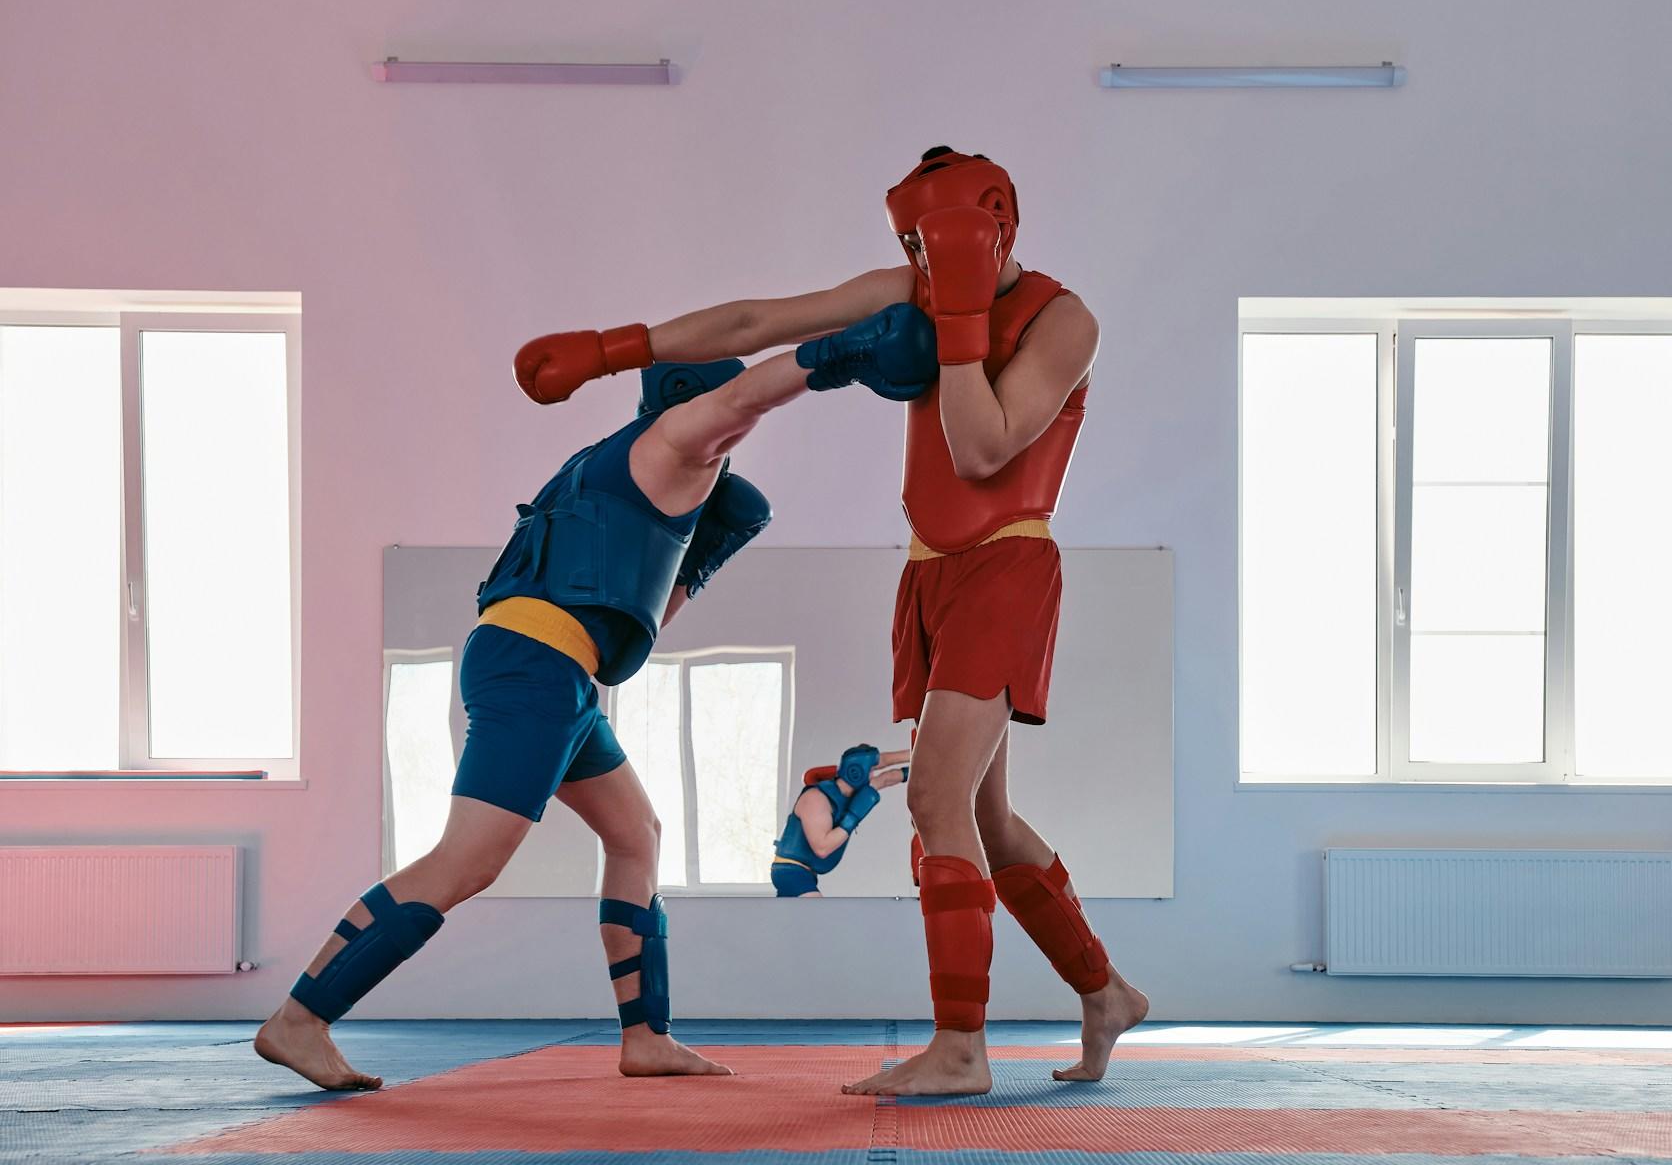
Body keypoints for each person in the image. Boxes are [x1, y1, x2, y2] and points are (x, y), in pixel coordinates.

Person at [576, 148, 1149, 1096]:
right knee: (987, 819)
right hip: (927, 574)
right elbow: (758, 322)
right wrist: (615, 348)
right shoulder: (910, 287)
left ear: (997, 222)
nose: (923, 260)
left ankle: (960, 1047)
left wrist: (957, 315)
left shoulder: (1064, 319)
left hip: (1007, 564)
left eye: (938, 240)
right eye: (913, 244)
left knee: (933, 804)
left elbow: (981, 451)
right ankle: (1107, 993)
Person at [253, 306, 935, 1092]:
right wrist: (841, 353)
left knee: (636, 832)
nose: (733, 435)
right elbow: (746, 397)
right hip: (535, 665)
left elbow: (629, 644)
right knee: (468, 860)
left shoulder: (626, 471)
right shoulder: (674, 440)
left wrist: (697, 562)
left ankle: (646, 1037)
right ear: (688, 399)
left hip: (560, 673)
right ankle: (300, 1018)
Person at [771, 743, 911, 897]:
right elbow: (822, 848)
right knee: (816, 911)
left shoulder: (848, 795)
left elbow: (885, 779)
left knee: (802, 913)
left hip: (806, 873)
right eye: (871, 770)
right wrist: (853, 816)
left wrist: (921, 760)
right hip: (790, 872)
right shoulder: (817, 799)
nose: (873, 775)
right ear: (855, 772)